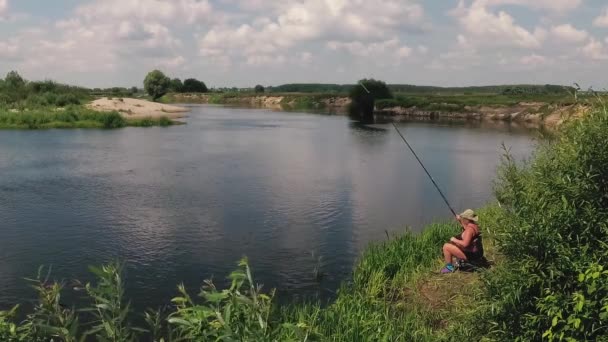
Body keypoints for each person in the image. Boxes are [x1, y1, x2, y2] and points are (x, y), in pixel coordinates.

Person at [440, 209, 484, 274]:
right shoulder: (474, 226)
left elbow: (465, 244)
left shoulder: (469, 230)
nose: (462, 219)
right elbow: (465, 228)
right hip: (477, 253)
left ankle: (449, 268)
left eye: (463, 218)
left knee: (446, 246)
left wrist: (454, 240)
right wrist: (460, 220)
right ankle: (458, 261)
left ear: (467, 219)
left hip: (472, 256)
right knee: (455, 244)